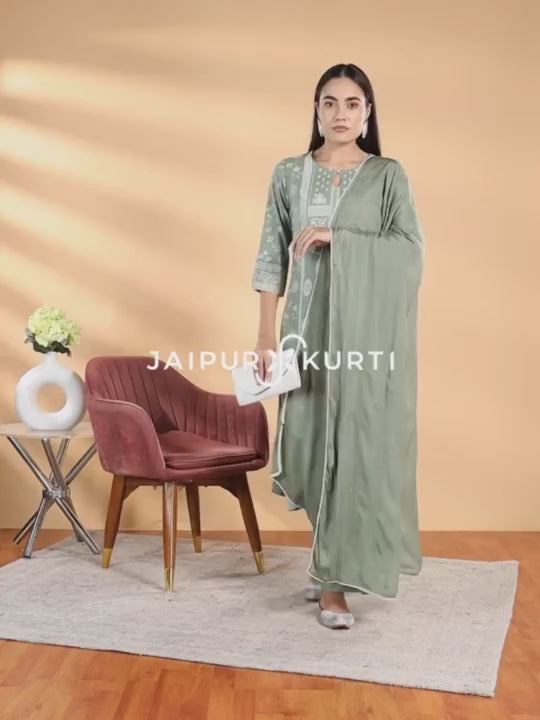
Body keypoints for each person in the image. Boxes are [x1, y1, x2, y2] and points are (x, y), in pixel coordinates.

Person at [251, 63, 425, 629]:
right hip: (303, 337)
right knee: (308, 447)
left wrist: (339, 238)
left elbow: (409, 250)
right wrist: (264, 337)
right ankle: (329, 558)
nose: (341, 114)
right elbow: (271, 257)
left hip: (364, 342)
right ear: (316, 109)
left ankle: (333, 584)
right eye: (330, 102)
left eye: (353, 104)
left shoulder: (387, 176)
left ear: (368, 112)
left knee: (352, 449)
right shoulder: (289, 174)